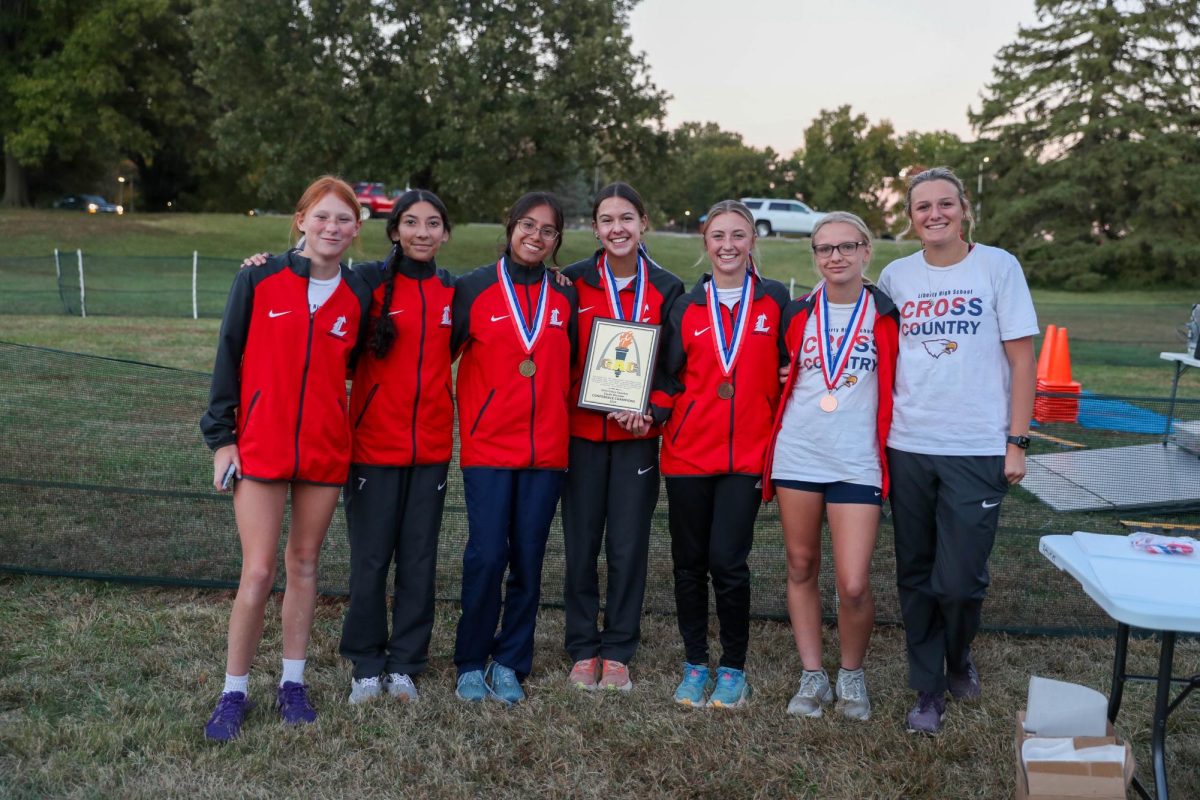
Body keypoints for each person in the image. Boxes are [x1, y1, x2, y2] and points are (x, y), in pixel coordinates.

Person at [199, 175, 373, 741]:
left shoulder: (358, 293)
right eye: (322, 216)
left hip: (325, 449)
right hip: (262, 446)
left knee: (304, 566)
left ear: (356, 229)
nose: (332, 227)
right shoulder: (258, 276)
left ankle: (292, 684)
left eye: (344, 219)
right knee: (257, 572)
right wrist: (221, 438)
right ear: (301, 220)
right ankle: (234, 691)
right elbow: (227, 358)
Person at [876, 166, 1037, 734]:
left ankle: (959, 651)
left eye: (946, 204)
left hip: (977, 447)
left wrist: (1015, 442)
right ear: (911, 216)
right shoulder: (895, 277)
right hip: (909, 445)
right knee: (916, 572)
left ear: (964, 209)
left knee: (960, 579)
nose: (934, 214)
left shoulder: (998, 266)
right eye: (923, 206)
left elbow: (1022, 361)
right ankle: (928, 686)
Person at [645, 199, 789, 709]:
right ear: (704, 244)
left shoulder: (775, 301)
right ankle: (693, 663)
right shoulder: (685, 305)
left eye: (738, 235)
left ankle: (732, 667)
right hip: (687, 455)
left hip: (748, 456)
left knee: (728, 562)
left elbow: (796, 361)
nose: (728, 245)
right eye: (717, 236)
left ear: (753, 242)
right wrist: (648, 412)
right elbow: (667, 378)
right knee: (688, 564)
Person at [761, 211, 899, 721]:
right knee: (800, 565)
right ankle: (813, 673)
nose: (835, 257)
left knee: (854, 580)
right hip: (799, 451)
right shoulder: (796, 313)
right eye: (824, 249)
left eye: (846, 247)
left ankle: (852, 673)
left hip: (858, 459)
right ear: (814, 256)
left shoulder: (888, 314)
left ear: (866, 251)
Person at [450, 192, 577, 705]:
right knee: (486, 556)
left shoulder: (565, 295)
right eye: (528, 225)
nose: (536, 237)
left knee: (528, 558)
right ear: (510, 227)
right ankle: (469, 661)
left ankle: (509, 661)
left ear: (556, 241)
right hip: (488, 448)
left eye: (548, 231)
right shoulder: (473, 288)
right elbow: (435, 353)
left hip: (547, 451)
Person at [559, 182, 683, 692]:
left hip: (635, 436)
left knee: (629, 545)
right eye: (607, 220)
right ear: (595, 229)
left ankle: (619, 649)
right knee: (581, 543)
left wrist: (651, 412)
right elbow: (558, 358)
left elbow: (675, 370)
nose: (617, 229)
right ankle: (583, 646)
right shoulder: (571, 283)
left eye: (626, 218)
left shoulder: (668, 287)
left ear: (643, 223)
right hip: (582, 433)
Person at [338, 191, 456, 705]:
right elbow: (311, 274)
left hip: (430, 448)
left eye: (433, 223)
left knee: (418, 561)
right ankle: (367, 662)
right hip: (371, 447)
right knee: (370, 561)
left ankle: (406, 663)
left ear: (446, 234)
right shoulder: (364, 282)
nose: (422, 232)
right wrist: (266, 261)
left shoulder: (457, 291)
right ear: (394, 231)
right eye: (411, 222)